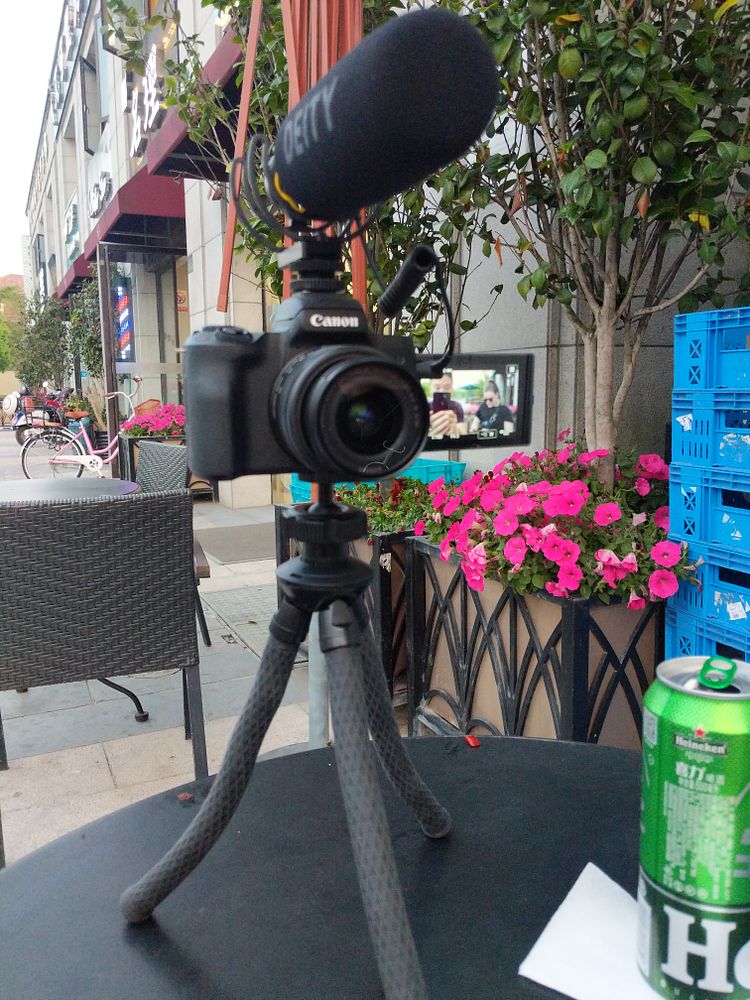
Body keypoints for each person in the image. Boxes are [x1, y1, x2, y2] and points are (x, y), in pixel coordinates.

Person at [428, 372, 465, 438]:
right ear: (430, 388)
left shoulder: (456, 406)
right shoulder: (424, 407)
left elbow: (463, 432)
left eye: (447, 387)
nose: (442, 391)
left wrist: (455, 431)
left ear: (452, 389)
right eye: (437, 388)